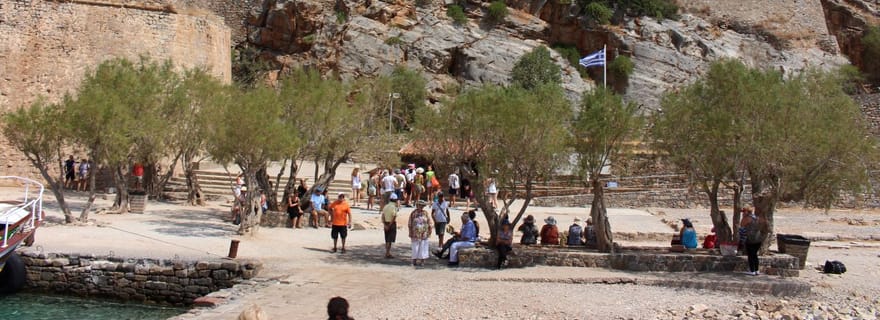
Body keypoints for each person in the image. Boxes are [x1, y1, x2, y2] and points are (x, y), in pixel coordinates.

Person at [742, 211, 767, 276]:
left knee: (750, 255)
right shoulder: (757, 218)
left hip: (750, 239)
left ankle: (752, 270)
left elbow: (741, 225)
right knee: (755, 255)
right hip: (758, 239)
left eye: (743, 211)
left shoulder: (747, 218)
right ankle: (757, 270)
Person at [408, 200, 432, 266]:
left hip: (424, 233)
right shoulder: (413, 213)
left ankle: (422, 261)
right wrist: (410, 232)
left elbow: (429, 222)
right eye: (419, 205)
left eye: (422, 206)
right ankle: (414, 261)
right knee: (415, 247)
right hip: (415, 233)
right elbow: (410, 223)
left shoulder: (425, 213)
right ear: (417, 206)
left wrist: (430, 230)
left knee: (423, 247)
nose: (420, 207)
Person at [381, 193, 399, 258]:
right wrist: (389, 225)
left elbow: (382, 216)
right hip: (391, 224)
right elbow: (394, 217)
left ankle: (387, 252)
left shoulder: (386, 206)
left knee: (387, 239)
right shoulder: (394, 207)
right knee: (389, 239)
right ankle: (387, 253)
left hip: (386, 222)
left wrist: (385, 224)